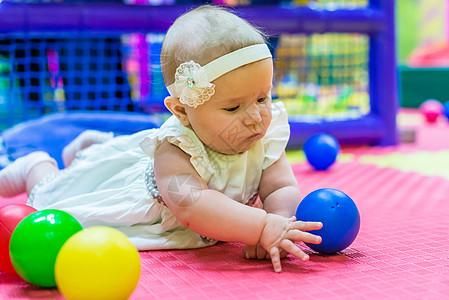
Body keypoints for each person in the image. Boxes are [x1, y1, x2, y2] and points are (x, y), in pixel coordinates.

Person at [0, 5, 322, 273]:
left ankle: (94, 148)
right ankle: (34, 166)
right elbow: (193, 206)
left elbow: (280, 186)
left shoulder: (263, 134)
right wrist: (260, 226)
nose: (255, 117)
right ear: (182, 111)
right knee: (51, 192)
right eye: (233, 107)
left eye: (263, 98)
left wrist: (279, 222)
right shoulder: (176, 147)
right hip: (140, 208)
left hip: (229, 222)